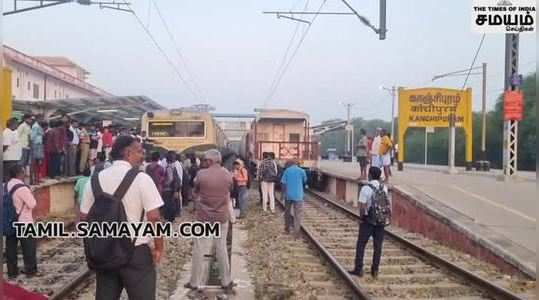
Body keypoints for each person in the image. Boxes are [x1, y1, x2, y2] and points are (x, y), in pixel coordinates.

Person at [80, 135, 164, 300]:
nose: (143, 156)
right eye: (140, 152)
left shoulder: (94, 180)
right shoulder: (142, 179)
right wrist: (159, 247)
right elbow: (154, 218)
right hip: (136, 252)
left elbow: (84, 218)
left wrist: (95, 245)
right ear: (128, 153)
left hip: (105, 251)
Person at [185, 149, 236, 292]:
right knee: (221, 248)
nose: (203, 162)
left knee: (199, 248)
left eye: (205, 160)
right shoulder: (228, 175)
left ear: (210, 161)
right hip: (221, 217)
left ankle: (194, 282)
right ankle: (226, 281)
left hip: (203, 218)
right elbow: (229, 190)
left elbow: (195, 191)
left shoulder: (201, 175)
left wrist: (200, 199)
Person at [349, 167, 390, 279]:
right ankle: (375, 270)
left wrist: (362, 218)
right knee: (378, 247)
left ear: (370, 175)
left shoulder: (366, 188)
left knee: (361, 244)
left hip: (368, 221)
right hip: (381, 221)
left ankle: (358, 269)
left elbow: (362, 206)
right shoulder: (384, 188)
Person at [5, 164, 38, 279]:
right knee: (29, 247)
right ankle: (30, 270)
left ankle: (12, 272)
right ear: (19, 173)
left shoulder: (6, 185)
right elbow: (32, 204)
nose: (25, 174)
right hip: (24, 221)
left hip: (9, 221)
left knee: (11, 248)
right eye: (23, 172)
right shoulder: (22, 188)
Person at [280, 159, 307, 237]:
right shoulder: (302, 171)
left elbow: (283, 184)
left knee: (287, 213)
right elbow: (305, 181)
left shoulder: (287, 171)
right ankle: (296, 232)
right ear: (297, 164)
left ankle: (287, 229)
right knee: (297, 214)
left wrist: (282, 195)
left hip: (288, 195)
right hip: (298, 196)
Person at [161, 151, 182, 222]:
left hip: (169, 188)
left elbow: (171, 179)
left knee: (168, 203)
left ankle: (169, 218)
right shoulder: (174, 166)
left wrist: (165, 183)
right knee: (172, 203)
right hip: (173, 188)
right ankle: (171, 218)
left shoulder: (169, 167)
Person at [30, 116, 45, 184]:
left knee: (39, 162)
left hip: (38, 145)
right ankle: (34, 179)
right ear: (37, 119)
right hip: (36, 145)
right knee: (35, 163)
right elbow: (32, 137)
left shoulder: (38, 126)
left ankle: (37, 178)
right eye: (41, 118)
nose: (42, 120)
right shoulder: (35, 126)